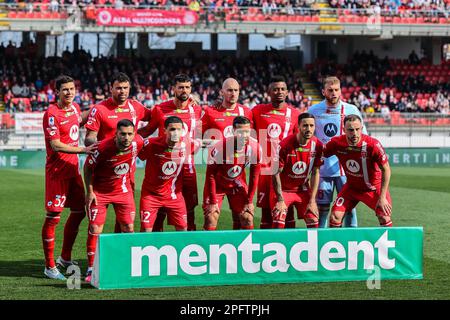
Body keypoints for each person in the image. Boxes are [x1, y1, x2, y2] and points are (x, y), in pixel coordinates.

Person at [42, 75, 97, 280]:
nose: (69, 92)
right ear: (57, 92)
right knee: (53, 217)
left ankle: (64, 258)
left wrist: (99, 108)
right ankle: (49, 267)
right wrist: (83, 149)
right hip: (57, 174)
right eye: (65, 89)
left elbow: (81, 117)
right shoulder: (51, 113)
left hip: (73, 172)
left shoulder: (73, 109)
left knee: (79, 211)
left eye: (72, 89)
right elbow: (56, 145)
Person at [84, 72, 151, 233]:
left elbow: (156, 117)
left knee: (125, 220)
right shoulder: (99, 109)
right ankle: (95, 256)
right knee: (96, 224)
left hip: (127, 171)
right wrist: (107, 147)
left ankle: (119, 254)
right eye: (118, 88)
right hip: (104, 170)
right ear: (111, 89)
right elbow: (89, 139)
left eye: (125, 88)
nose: (122, 91)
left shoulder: (135, 106)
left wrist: (139, 139)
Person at [83, 119, 145, 282]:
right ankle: (91, 268)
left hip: (123, 191)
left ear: (134, 134)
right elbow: (87, 168)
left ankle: (128, 264)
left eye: (129, 134)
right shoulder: (102, 148)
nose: (126, 137)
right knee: (95, 228)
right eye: (122, 134)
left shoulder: (138, 142)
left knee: (128, 227)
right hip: (100, 193)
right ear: (115, 134)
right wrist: (89, 192)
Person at [139, 74, 202, 231]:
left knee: (189, 208)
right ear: (173, 89)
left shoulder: (197, 109)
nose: (184, 90)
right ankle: (156, 247)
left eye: (187, 87)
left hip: (187, 165)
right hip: (163, 162)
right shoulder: (160, 109)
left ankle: (188, 246)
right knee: (159, 210)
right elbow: (147, 130)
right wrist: (128, 138)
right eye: (180, 87)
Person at [308, 76, 366, 228]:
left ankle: (351, 242)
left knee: (350, 209)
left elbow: (363, 137)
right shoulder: (313, 111)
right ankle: (321, 243)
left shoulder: (351, 110)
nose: (334, 93)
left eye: (336, 90)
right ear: (323, 92)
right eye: (330, 90)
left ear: (340, 91)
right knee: (323, 210)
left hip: (347, 170)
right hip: (323, 169)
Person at [323, 115, 393, 228]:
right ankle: (336, 244)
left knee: (384, 217)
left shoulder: (372, 145)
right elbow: (319, 153)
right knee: (335, 216)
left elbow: (386, 169)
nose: (354, 133)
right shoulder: (337, 143)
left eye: (357, 129)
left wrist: (383, 197)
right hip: (352, 188)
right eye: (350, 130)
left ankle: (388, 245)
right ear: (344, 130)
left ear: (361, 128)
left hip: (373, 189)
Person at [252, 76, 301, 229]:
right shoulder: (258, 110)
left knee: (288, 211)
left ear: (287, 92)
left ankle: (289, 247)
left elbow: (299, 143)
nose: (279, 92)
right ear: (269, 92)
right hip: (265, 170)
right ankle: (265, 247)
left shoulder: (294, 114)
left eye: (282, 89)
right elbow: (239, 119)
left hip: (285, 171)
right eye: (275, 89)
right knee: (266, 212)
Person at [138, 116, 200, 232]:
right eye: (172, 129)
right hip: (151, 195)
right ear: (164, 130)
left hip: (174, 196)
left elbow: (200, 144)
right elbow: (136, 150)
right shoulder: (151, 144)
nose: (175, 133)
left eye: (178, 129)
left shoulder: (188, 144)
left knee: (183, 229)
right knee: (146, 230)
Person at [203, 116, 261, 231]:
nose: (244, 136)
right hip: (218, 184)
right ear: (233, 130)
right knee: (211, 217)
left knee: (247, 216)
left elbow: (254, 176)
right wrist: (213, 201)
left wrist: (249, 201)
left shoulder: (255, 148)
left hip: (236, 183)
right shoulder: (220, 147)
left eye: (247, 132)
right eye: (240, 132)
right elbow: (211, 175)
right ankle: (208, 247)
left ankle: (244, 248)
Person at [271, 113, 323, 229]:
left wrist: (312, 200)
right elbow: (275, 173)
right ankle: (276, 246)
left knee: (313, 217)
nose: (308, 129)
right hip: (283, 190)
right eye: (305, 126)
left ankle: (312, 247)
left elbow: (315, 172)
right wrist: (280, 199)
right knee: (279, 216)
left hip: (302, 190)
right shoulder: (285, 145)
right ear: (298, 127)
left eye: (311, 126)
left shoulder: (318, 145)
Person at [201, 78, 253, 142]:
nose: (233, 94)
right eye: (230, 90)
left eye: (236, 90)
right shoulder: (210, 112)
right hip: (217, 151)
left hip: (239, 152)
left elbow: (250, 137)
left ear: (239, 92)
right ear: (222, 92)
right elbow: (199, 135)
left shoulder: (247, 112)